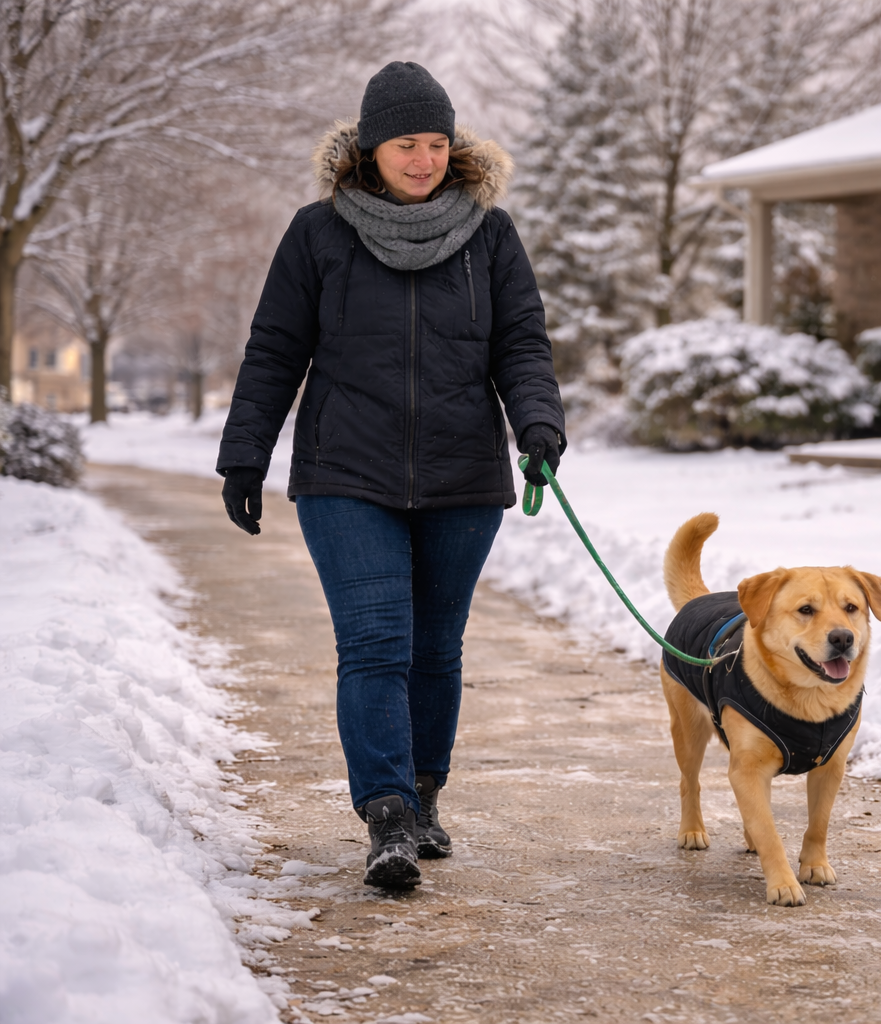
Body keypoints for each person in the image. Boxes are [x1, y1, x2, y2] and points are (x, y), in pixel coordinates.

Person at [216, 62, 565, 890]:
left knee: (436, 647)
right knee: (375, 641)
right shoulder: (318, 232)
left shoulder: (490, 234)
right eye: (407, 143)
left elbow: (521, 342)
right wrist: (245, 451)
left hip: (462, 474)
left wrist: (539, 424)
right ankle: (388, 814)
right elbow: (275, 349)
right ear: (372, 147)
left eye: (437, 143)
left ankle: (425, 794)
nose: (423, 159)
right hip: (346, 473)